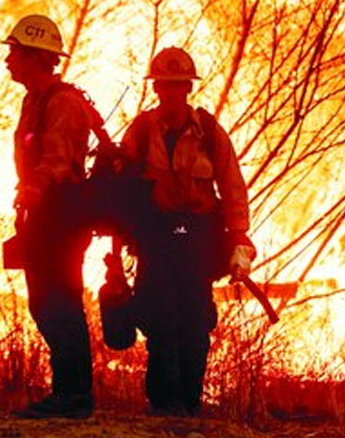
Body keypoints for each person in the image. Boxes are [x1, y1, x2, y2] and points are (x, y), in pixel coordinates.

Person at [119, 46, 256, 417]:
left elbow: (232, 185)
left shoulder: (209, 132)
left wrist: (239, 237)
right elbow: (121, 183)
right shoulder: (142, 131)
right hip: (155, 236)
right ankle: (163, 401)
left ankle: (190, 400)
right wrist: (118, 238)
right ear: (156, 89)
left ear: (188, 89)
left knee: (195, 319)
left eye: (178, 85)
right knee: (157, 314)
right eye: (164, 85)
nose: (171, 92)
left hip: (197, 238)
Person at [2, 13, 96, 419]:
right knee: (44, 302)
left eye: (15, 52)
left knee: (60, 301)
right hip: (43, 214)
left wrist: (35, 186)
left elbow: (58, 160)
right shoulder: (33, 100)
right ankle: (68, 394)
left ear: (37, 57)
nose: (8, 60)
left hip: (63, 213)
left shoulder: (63, 102)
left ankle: (74, 397)